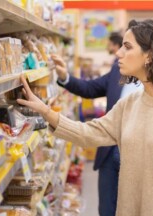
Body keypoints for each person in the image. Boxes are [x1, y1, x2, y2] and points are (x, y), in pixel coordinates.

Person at [17, 19, 153, 215]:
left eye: (127, 47)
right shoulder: (131, 103)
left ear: (149, 55)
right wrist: (45, 112)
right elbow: (90, 133)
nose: (118, 53)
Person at [51, 32, 142, 216]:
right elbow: (90, 88)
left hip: (139, 155)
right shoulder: (118, 70)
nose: (119, 53)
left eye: (128, 47)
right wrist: (64, 76)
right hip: (110, 150)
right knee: (107, 209)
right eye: (122, 46)